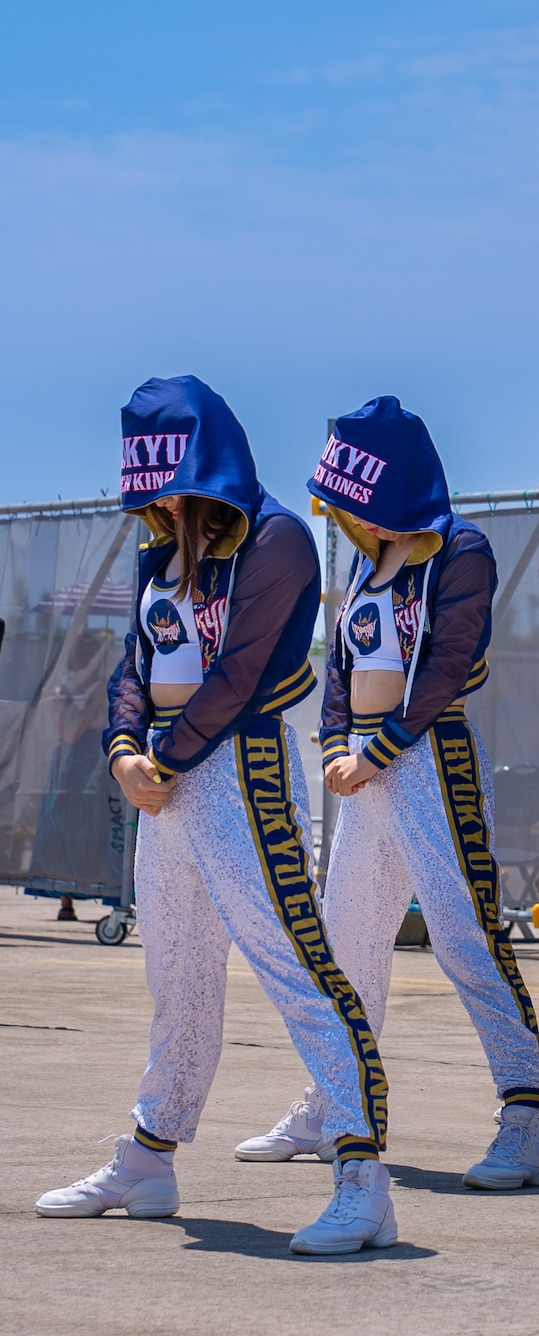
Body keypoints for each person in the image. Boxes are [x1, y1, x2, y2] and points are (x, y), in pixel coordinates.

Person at [37, 376, 394, 1255]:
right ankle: (151, 1155)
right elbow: (134, 662)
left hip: (240, 771)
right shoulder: (162, 550)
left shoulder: (277, 539)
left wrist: (159, 757)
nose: (153, 501)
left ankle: (362, 1175)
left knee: (297, 967)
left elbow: (236, 676)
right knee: (179, 981)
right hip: (164, 778)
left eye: (165, 481)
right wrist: (124, 749)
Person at [234, 397, 539, 1190]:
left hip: (430, 760)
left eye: (353, 497)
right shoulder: (362, 563)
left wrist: (376, 750)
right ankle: (333, 1106)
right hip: (365, 773)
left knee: (464, 937)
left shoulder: (460, 550)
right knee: (347, 946)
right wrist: (341, 741)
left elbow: (449, 663)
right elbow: (342, 667)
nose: (341, 513)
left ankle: (526, 1115)